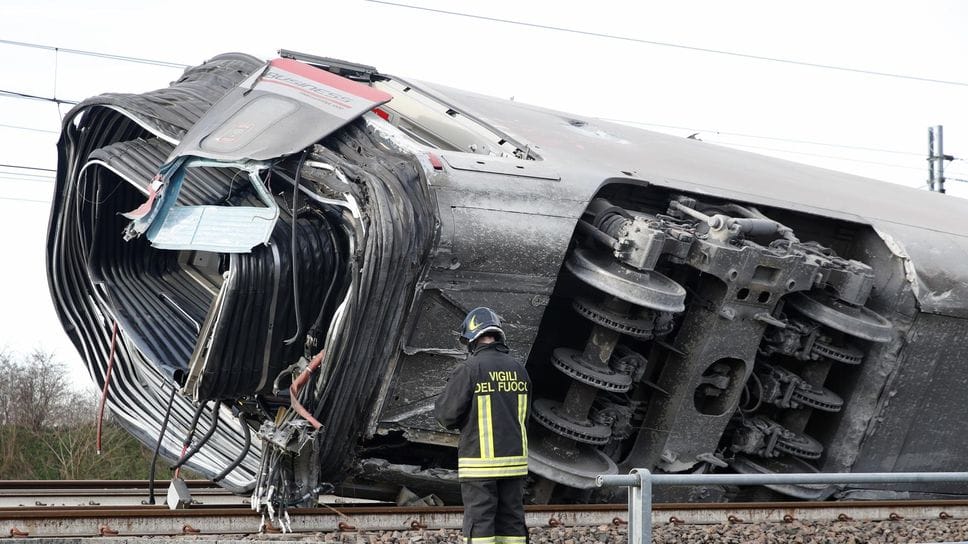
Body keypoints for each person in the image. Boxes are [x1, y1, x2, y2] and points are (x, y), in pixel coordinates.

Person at [435, 307, 531, 544]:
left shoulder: (470, 369)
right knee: (512, 521)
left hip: (480, 464)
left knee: (480, 522)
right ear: (498, 335)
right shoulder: (519, 369)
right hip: (515, 463)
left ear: (471, 339)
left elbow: (446, 416)